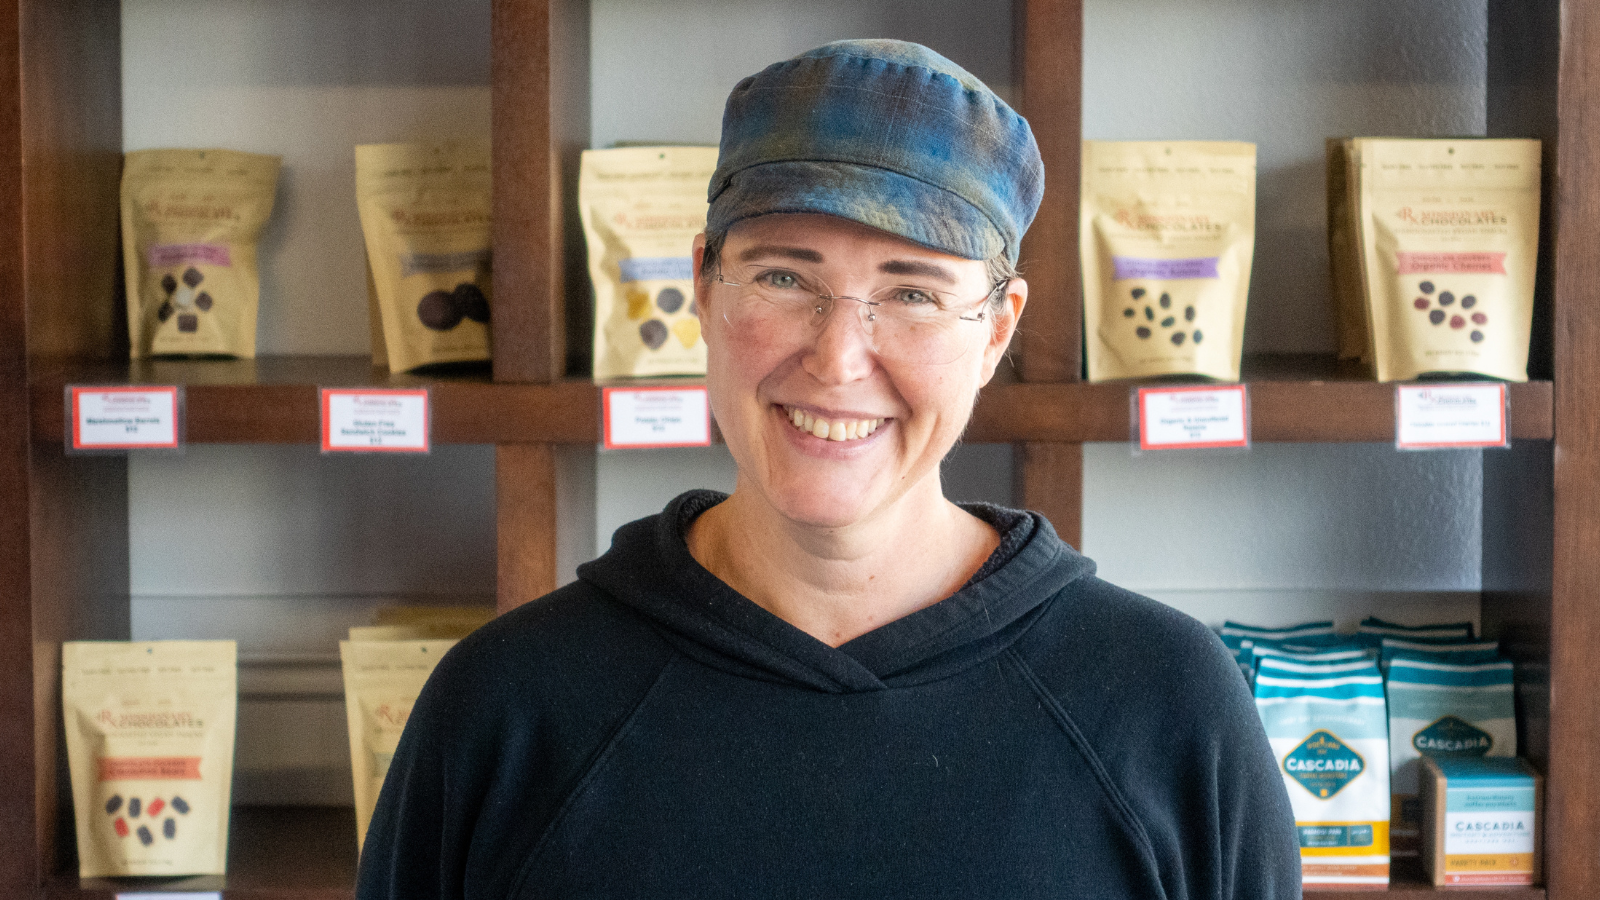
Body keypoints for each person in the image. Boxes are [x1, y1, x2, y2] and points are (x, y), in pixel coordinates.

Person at [356, 40, 1300, 899]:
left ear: (997, 330)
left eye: (914, 292)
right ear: (703, 285)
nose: (840, 358)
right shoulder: (508, 708)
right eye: (783, 277)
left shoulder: (1166, 707)